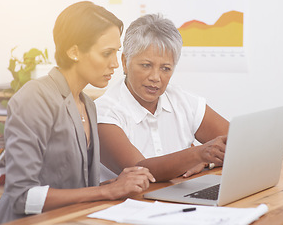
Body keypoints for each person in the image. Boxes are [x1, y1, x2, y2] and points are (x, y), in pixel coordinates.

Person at [0, 1, 155, 224]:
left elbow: (76, 190)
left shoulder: (87, 104)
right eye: (106, 53)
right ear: (74, 52)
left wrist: (113, 186)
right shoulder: (35, 98)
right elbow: (22, 197)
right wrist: (104, 192)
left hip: (73, 218)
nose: (115, 64)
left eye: (116, 52)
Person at [95, 14, 229, 182]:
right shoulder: (104, 111)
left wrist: (206, 162)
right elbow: (140, 170)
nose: (155, 77)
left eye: (165, 68)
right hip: (127, 205)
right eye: (146, 65)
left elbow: (238, 144)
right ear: (125, 62)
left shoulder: (181, 100)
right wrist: (198, 155)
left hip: (176, 199)